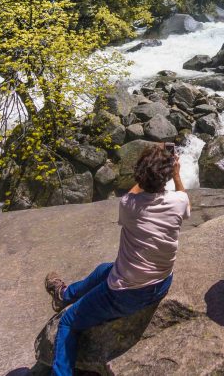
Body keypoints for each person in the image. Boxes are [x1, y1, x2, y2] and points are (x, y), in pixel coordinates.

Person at [44, 142, 190, 376]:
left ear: (140, 175)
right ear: (168, 175)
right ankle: (65, 295)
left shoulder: (129, 205)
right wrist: (176, 174)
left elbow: (134, 192)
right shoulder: (179, 202)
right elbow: (183, 195)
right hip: (162, 283)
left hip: (126, 294)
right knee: (105, 269)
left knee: (68, 322)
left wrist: (148, 167)